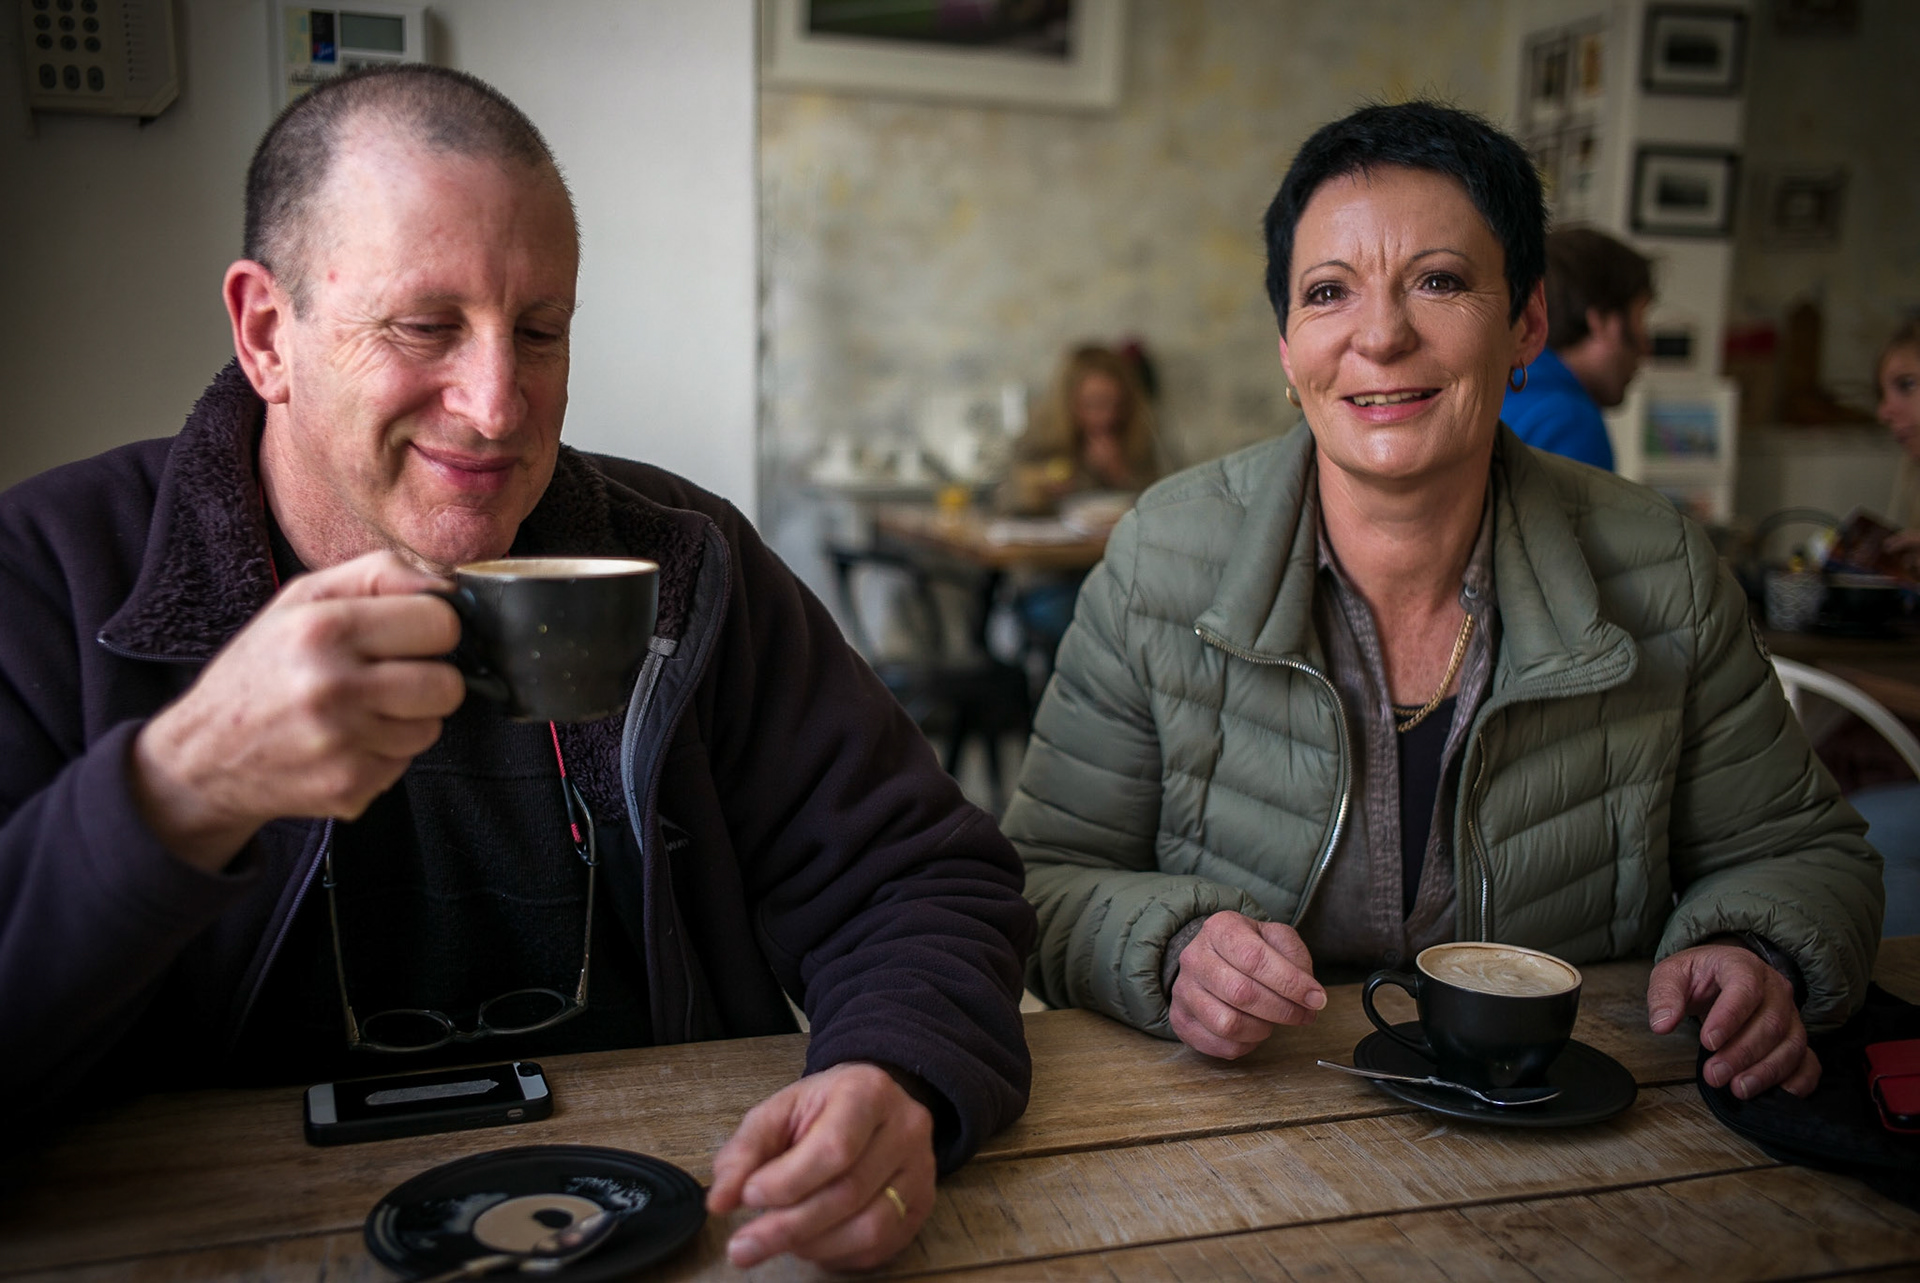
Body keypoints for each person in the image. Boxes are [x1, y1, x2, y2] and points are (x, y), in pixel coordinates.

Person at [0, 67, 1035, 1272]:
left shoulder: (683, 563)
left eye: (540, 331)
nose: (498, 406)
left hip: (671, 1225)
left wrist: (896, 1068)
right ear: (266, 333)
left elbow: (922, 878)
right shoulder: (51, 581)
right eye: (424, 326)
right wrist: (178, 787)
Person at [1006, 102, 1881, 1105]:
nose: (1380, 336)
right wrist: (1170, 947)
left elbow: (1805, 855)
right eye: (1329, 292)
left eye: (1439, 280)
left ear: (1528, 325)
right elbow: (1044, 876)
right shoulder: (1162, 556)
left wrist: (1752, 947)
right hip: (1237, 1115)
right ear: (1289, 351)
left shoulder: (1660, 569)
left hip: (1577, 1131)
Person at [1498, 226, 1654, 470]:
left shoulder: (1497, 390)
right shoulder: (1571, 424)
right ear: (1600, 322)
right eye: (1640, 319)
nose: (1646, 348)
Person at [1000, 344, 1160, 517]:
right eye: (1094, 404)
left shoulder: (1138, 438)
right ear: (1066, 402)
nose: (1107, 416)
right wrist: (1038, 487)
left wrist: (1120, 474)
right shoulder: (1038, 439)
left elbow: (1166, 501)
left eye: (1117, 404)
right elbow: (1003, 499)